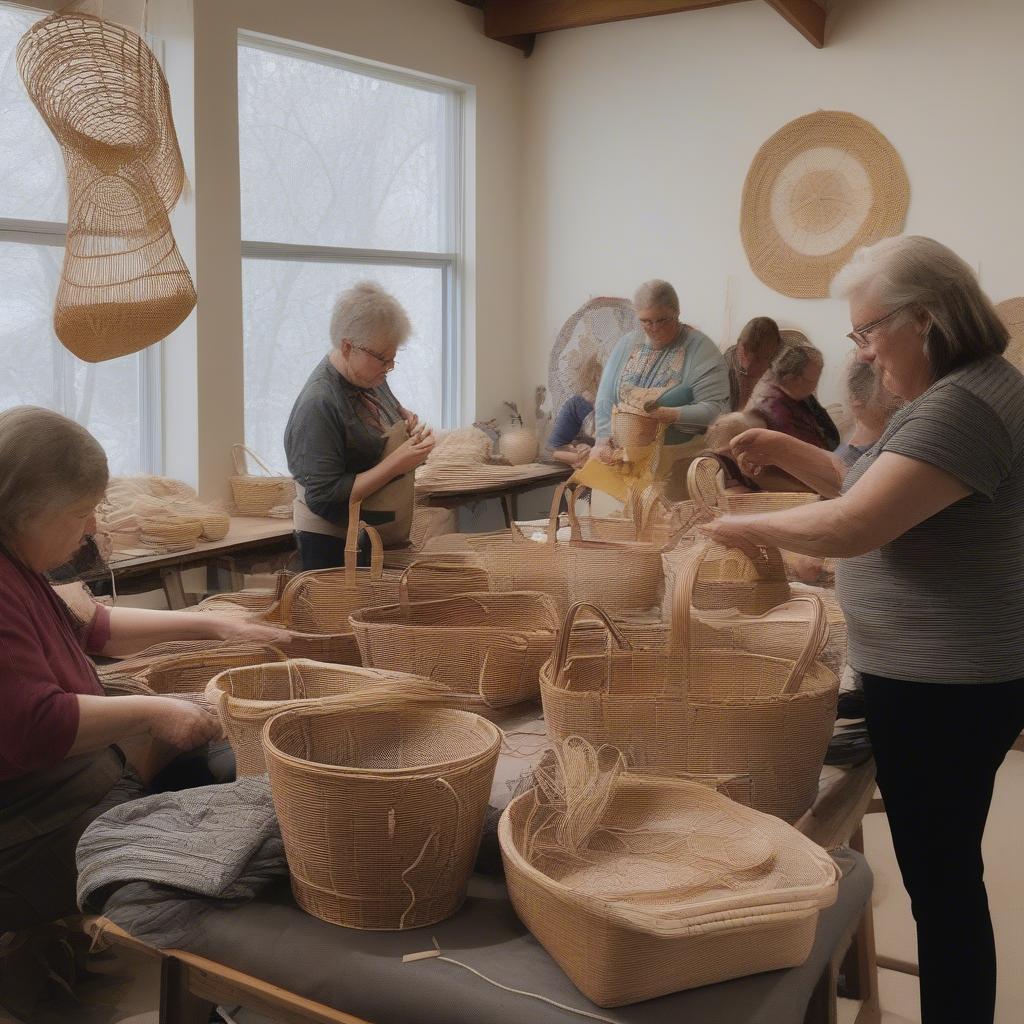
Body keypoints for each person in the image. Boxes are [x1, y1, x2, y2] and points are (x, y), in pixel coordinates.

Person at [702, 235, 1024, 1024]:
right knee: (944, 876)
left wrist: (746, 529)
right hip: (951, 679)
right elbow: (874, 485)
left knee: (941, 885)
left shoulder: (963, 404)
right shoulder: (969, 389)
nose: (866, 353)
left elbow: (855, 525)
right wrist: (790, 453)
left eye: (870, 331)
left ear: (928, 318)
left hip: (946, 686)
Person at [0, 407, 289, 934]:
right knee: (226, 834)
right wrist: (154, 713)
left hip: (72, 775)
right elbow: (33, 725)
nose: (91, 526)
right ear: (26, 510)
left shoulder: (18, 558)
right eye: (82, 511)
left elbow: (96, 627)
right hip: (26, 822)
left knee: (235, 775)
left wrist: (215, 626)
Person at [285, 282, 434, 571]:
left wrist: (406, 430)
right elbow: (326, 497)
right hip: (330, 540)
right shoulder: (319, 403)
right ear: (347, 346)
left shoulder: (370, 378)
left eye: (393, 358)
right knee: (339, 615)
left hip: (369, 530)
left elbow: (379, 435)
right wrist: (398, 461)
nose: (389, 367)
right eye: (382, 359)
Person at [590, 279, 729, 470]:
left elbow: (717, 411)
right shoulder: (626, 344)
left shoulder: (701, 350)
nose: (655, 328)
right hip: (620, 457)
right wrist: (602, 440)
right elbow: (605, 397)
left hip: (676, 460)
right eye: (646, 321)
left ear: (677, 313)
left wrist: (673, 415)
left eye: (663, 320)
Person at [732, 356, 903, 499]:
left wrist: (781, 450)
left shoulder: (806, 407)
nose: (813, 386)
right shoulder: (776, 407)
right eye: (810, 380)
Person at [746, 343, 839, 451]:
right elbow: (810, 454)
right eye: (813, 381)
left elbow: (831, 434)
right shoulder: (777, 414)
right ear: (791, 378)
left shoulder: (797, 392)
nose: (815, 387)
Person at [546, 354, 603, 470]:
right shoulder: (577, 403)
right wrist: (578, 448)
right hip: (588, 457)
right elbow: (553, 449)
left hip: (603, 454)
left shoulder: (607, 401)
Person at [723, 316, 784, 411]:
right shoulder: (725, 367)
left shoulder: (781, 365)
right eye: (743, 355)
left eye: (758, 360)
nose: (748, 366)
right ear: (739, 346)